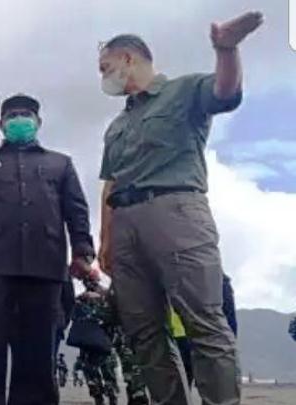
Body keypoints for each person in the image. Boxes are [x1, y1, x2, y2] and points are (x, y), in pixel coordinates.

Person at [97, 13, 263, 404]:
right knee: (144, 332)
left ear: (128, 59)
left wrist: (226, 50)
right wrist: (106, 241)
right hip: (125, 225)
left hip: (176, 213)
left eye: (105, 67)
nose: (103, 77)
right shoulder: (116, 126)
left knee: (203, 322)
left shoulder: (183, 91)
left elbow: (225, 92)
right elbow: (110, 183)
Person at [0, 94, 95, 405]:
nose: (20, 120)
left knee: (38, 342)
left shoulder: (60, 163)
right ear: (1, 124)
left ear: (38, 122)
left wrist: (82, 251)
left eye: (26, 115)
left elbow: (77, 210)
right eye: (13, 115)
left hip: (45, 263)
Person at [72, 282, 118, 405]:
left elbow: (73, 317)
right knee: (106, 368)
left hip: (88, 342)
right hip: (104, 341)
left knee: (90, 368)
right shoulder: (105, 299)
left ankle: (99, 394)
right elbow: (112, 318)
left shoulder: (80, 301)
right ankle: (109, 392)